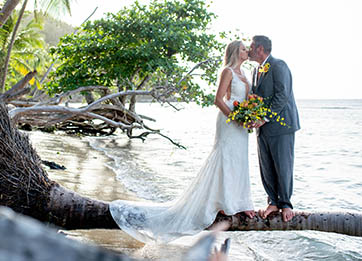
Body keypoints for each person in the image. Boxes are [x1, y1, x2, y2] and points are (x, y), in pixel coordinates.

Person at [109, 40, 255, 243]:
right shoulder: (228, 71)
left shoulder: (245, 73)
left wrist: (249, 116)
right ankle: (224, 203)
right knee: (225, 157)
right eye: (243, 49)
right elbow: (218, 99)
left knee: (239, 159)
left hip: (241, 123)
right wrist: (234, 117)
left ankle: (238, 202)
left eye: (247, 49)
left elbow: (247, 99)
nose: (247, 51)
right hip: (229, 120)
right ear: (235, 52)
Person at [248, 35, 300, 222]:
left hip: (281, 125)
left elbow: (282, 95)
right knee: (266, 165)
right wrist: (250, 116)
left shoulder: (279, 65)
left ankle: (285, 203)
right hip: (261, 127)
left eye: (251, 46)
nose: (249, 49)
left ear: (260, 48)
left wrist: (265, 117)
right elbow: (255, 97)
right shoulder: (256, 70)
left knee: (283, 165)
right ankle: (272, 201)